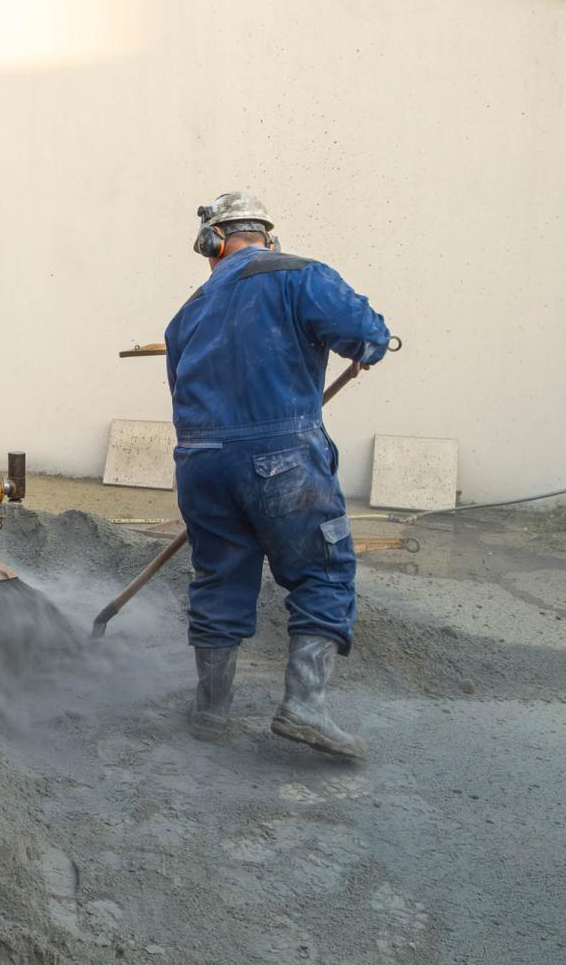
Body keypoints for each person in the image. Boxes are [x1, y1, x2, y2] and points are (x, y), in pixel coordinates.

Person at [164, 191, 391, 759]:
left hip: (200, 464)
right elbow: (366, 333)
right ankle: (304, 708)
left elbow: (181, 390)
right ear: (267, 234)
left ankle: (211, 713)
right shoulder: (301, 274)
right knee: (321, 571)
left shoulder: (187, 312)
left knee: (218, 579)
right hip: (282, 459)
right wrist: (368, 346)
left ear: (212, 243)